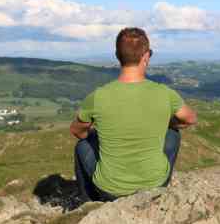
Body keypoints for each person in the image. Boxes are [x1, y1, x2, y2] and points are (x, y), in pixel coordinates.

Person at [70, 28, 197, 202]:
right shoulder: (165, 93)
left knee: (82, 146)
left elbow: (77, 131)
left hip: (110, 191)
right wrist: (166, 123)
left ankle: (89, 202)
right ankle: (160, 184)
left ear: (117, 55)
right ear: (146, 56)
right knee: (172, 135)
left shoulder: (98, 96)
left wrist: (94, 135)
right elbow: (190, 118)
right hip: (154, 186)